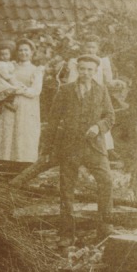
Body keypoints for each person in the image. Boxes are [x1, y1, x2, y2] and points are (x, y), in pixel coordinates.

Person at [44, 54, 116, 243]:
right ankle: (67, 234)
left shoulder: (101, 90)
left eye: (89, 70)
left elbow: (110, 117)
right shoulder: (65, 90)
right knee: (67, 189)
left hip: (95, 147)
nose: (85, 73)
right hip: (70, 147)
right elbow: (53, 121)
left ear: (95, 71)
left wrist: (98, 127)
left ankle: (105, 228)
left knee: (106, 181)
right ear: (77, 69)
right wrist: (46, 150)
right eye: (82, 69)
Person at [0, 38, 44, 164]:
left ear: (32, 52)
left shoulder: (36, 70)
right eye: (20, 50)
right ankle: (2, 163)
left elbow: (35, 91)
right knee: (6, 131)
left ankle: (23, 163)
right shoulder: (9, 67)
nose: (23, 53)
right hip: (9, 104)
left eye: (26, 50)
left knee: (23, 132)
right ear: (16, 52)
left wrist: (17, 90)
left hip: (27, 106)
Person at [66, 36, 115, 151]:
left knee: (100, 118)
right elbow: (71, 80)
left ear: (98, 48)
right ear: (83, 48)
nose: (90, 50)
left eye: (93, 47)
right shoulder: (77, 62)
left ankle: (106, 148)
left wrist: (110, 86)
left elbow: (108, 80)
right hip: (81, 92)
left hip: (98, 94)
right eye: (88, 47)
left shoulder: (103, 62)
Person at [0, 40, 23, 115]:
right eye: (1, 55)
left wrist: (14, 65)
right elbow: (5, 75)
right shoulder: (0, 64)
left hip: (5, 80)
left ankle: (6, 103)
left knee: (11, 91)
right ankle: (2, 104)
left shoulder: (9, 63)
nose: (4, 56)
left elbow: (13, 70)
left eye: (6, 54)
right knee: (9, 90)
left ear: (10, 55)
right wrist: (12, 80)